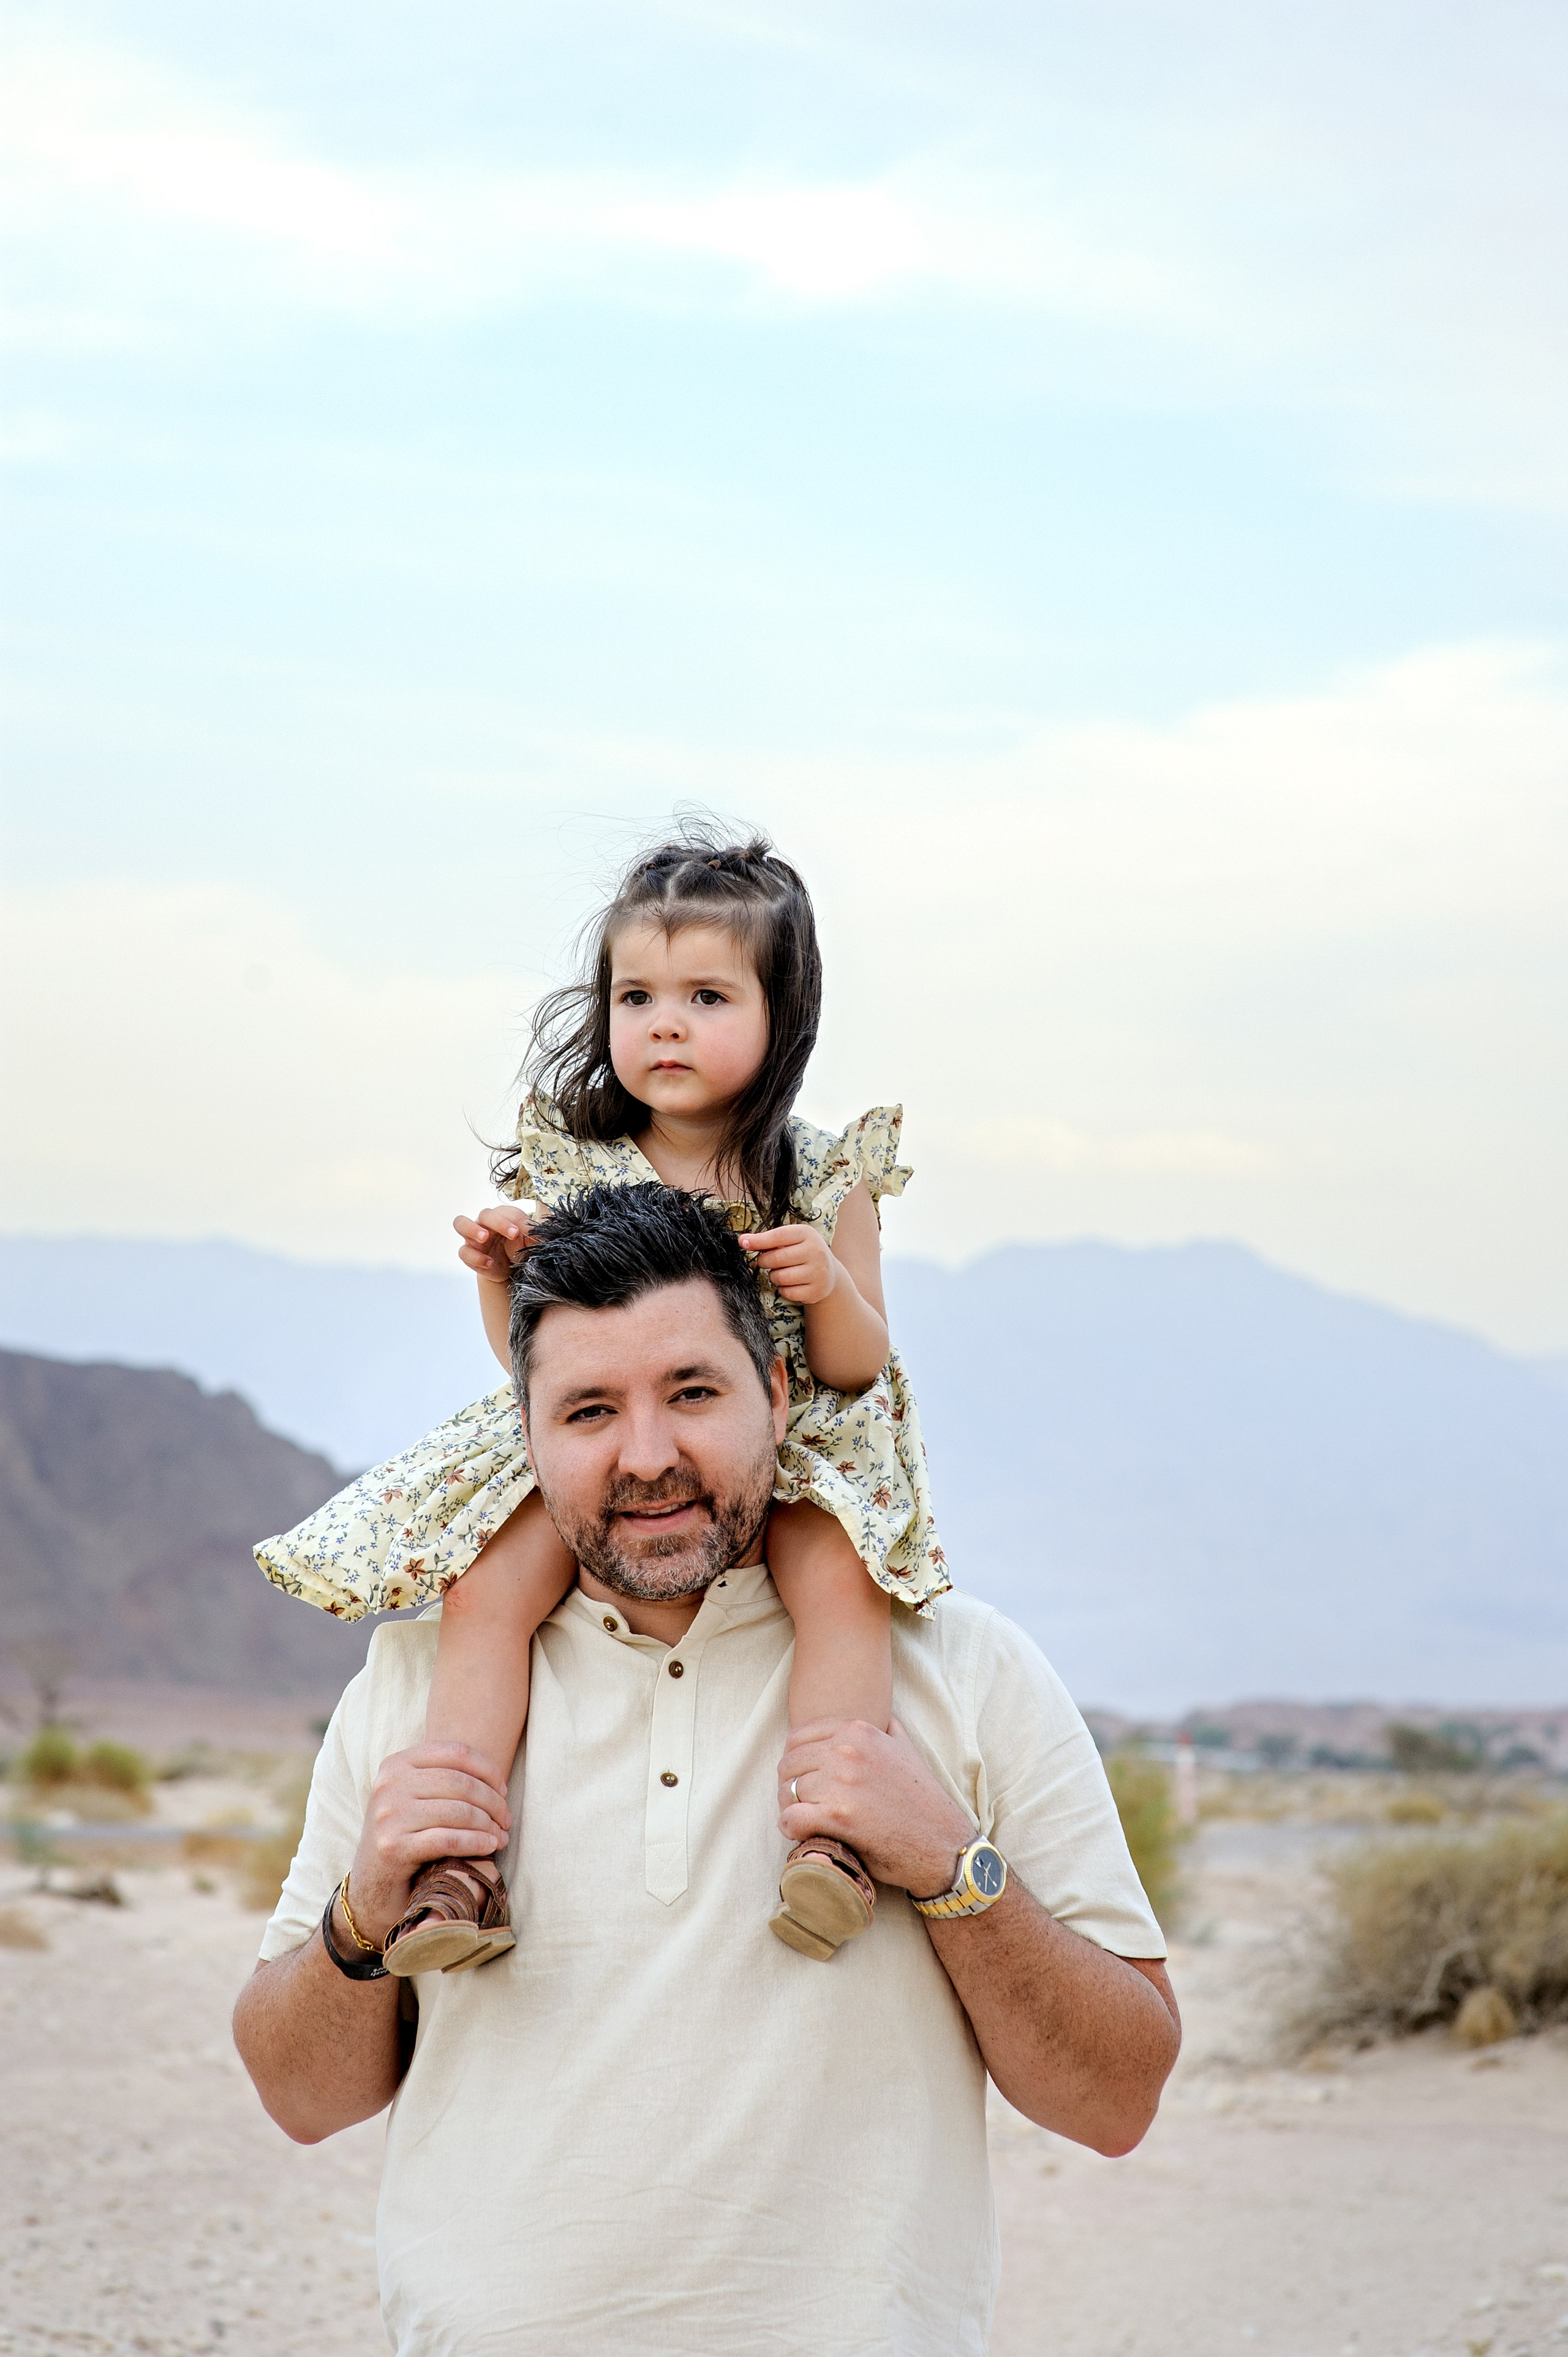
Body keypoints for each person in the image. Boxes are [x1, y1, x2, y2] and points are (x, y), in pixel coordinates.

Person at [234, 1182, 1180, 2357]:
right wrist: (365, 1912)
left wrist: (951, 1865)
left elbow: (1118, 2098)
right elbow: (299, 2096)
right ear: (524, 1431)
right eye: (587, 1411)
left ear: (779, 1393)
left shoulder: (966, 1669)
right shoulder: (415, 1695)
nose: (648, 1455)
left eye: (693, 1393)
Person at [256, 829, 946, 1972]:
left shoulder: (825, 1177)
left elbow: (860, 1365)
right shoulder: (578, 1166)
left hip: (798, 1436)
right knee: (488, 1589)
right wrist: (502, 1280)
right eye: (638, 996)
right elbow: (539, 1376)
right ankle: (454, 1864)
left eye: (708, 995)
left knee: (839, 1585)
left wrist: (826, 1287)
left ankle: (834, 1833)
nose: (664, 1023)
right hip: (613, 1446)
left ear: (786, 1018)